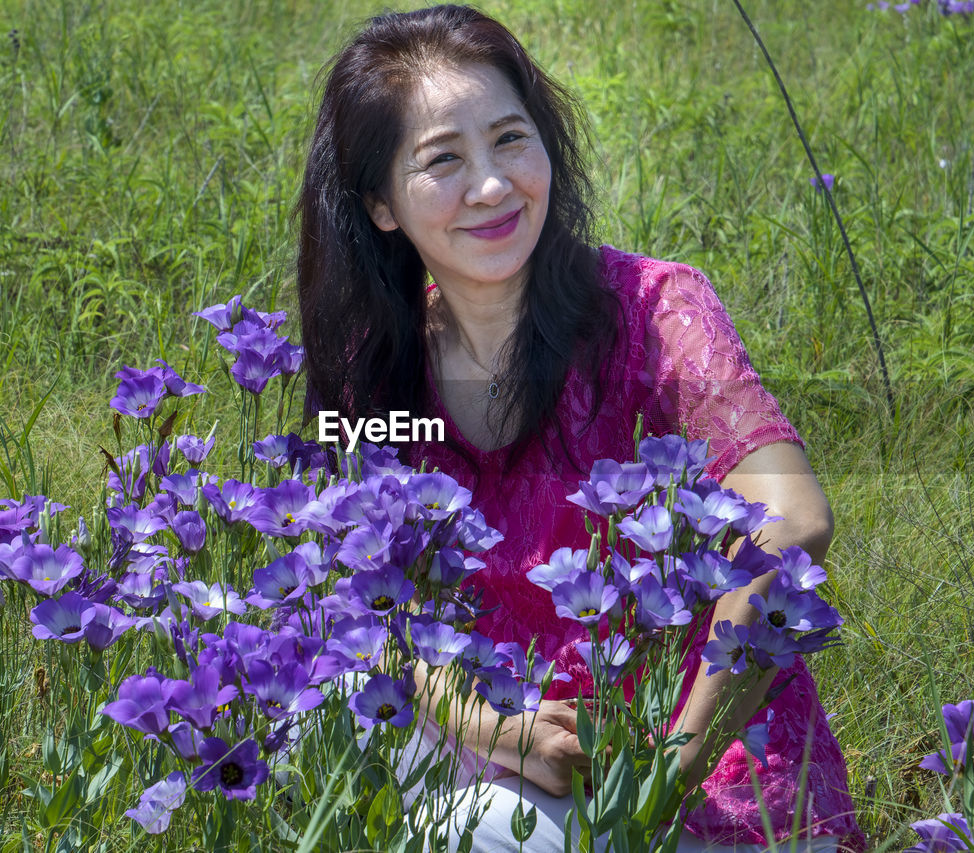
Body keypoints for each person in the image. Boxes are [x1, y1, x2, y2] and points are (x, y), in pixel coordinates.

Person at [296, 5, 865, 851]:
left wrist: (663, 770)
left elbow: (796, 521)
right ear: (382, 205)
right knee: (293, 687)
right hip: (506, 740)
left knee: (473, 831)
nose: (492, 186)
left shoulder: (655, 309)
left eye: (511, 140)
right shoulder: (373, 356)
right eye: (444, 159)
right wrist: (489, 727)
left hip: (687, 779)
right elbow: (362, 600)